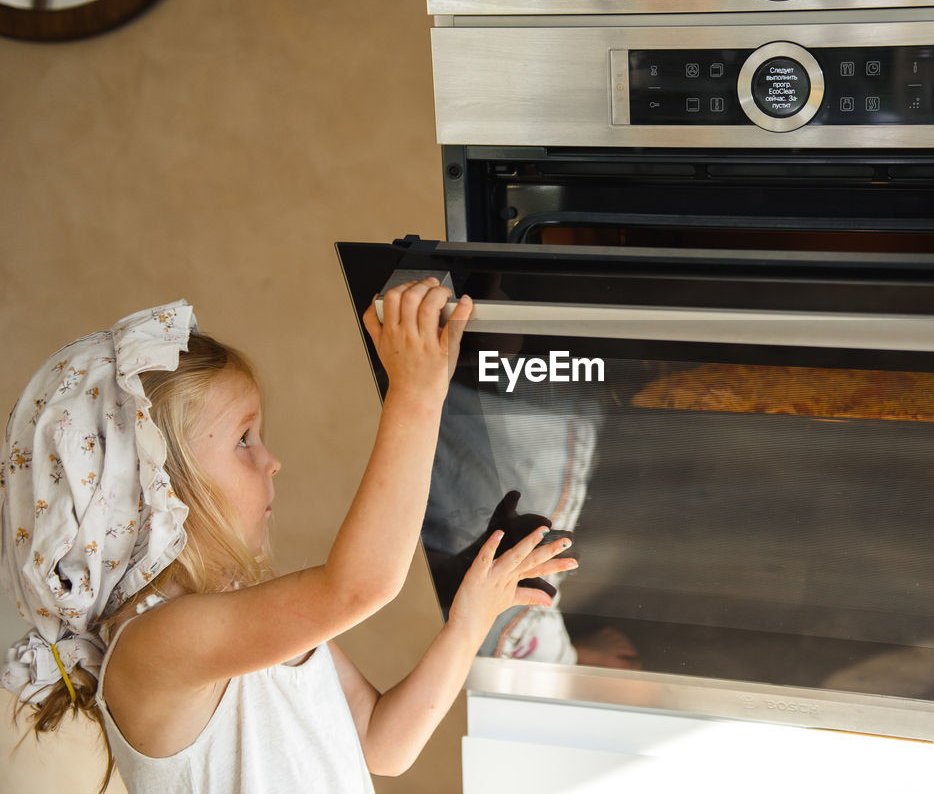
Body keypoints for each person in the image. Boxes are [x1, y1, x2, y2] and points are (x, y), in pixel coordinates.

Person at [0, 281, 576, 792]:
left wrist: (470, 622)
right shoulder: (152, 646)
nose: (272, 461)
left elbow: (383, 743)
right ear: (155, 487)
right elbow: (359, 586)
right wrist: (417, 393)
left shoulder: (242, 604)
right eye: (244, 439)